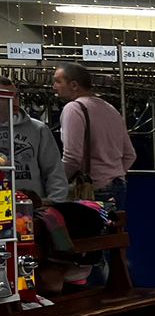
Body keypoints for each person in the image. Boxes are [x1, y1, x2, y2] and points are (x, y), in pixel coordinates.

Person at [55, 64, 135, 212]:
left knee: (89, 227)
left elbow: (72, 157)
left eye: (58, 81)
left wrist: (56, 183)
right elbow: (130, 155)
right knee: (115, 226)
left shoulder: (74, 109)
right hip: (118, 185)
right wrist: (113, 174)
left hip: (92, 188)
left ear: (74, 85)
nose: (54, 86)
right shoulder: (111, 109)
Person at [1, 81, 66, 204]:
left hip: (30, 207)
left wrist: (55, 202)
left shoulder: (38, 129)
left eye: (16, 96)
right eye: (7, 96)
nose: (15, 101)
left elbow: (54, 170)